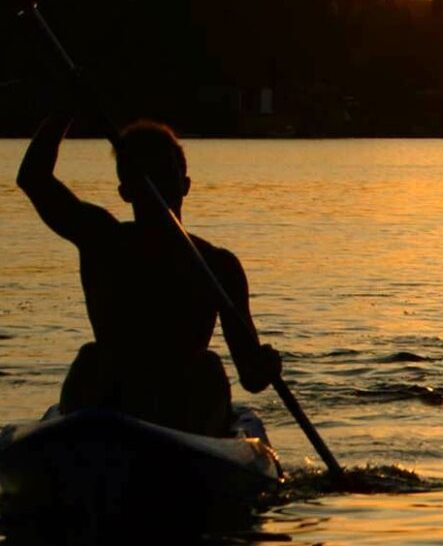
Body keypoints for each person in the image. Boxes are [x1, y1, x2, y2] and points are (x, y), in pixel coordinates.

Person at [16, 113, 281, 436]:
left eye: (164, 174)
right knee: (91, 358)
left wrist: (264, 364)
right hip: (111, 396)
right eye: (146, 176)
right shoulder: (101, 237)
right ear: (126, 191)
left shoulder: (218, 265)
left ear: (184, 185)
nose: (156, 184)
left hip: (182, 408)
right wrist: (65, 112)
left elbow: (251, 377)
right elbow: (33, 178)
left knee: (208, 367)